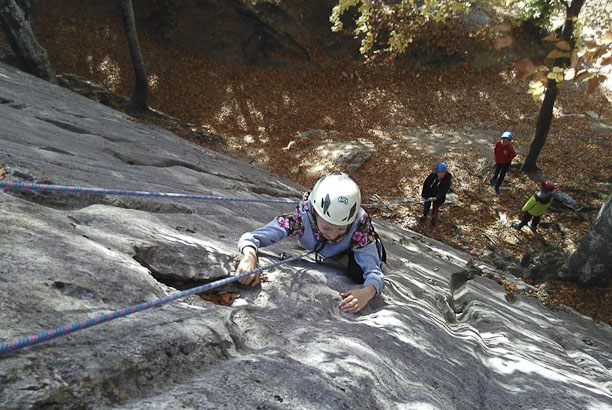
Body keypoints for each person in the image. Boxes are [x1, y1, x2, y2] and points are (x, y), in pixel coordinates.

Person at [235, 171, 385, 314]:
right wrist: (250, 256)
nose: (332, 235)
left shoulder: (360, 226)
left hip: (351, 249)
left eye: (341, 229)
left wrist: (368, 292)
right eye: (327, 227)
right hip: (328, 247)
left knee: (357, 274)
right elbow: (254, 237)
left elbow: (373, 271)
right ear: (314, 212)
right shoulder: (300, 219)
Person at [420, 162, 452, 227]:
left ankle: (433, 219)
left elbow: (444, 191)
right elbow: (426, 184)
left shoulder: (447, 180)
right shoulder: (432, 176)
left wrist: (437, 197)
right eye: (438, 172)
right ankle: (425, 215)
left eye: (442, 172)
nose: (440, 174)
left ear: (445, 172)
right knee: (426, 205)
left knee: (435, 207)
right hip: (430, 192)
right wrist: (424, 195)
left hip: (439, 196)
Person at [489, 131, 517, 195]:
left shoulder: (510, 147)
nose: (505, 142)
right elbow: (495, 150)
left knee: (502, 174)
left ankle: (497, 185)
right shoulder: (498, 144)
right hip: (499, 161)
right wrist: (496, 158)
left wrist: (508, 159)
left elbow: (514, 154)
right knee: (497, 170)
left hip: (506, 163)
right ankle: (494, 178)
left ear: (509, 141)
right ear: (502, 139)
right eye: (504, 140)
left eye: (507, 141)